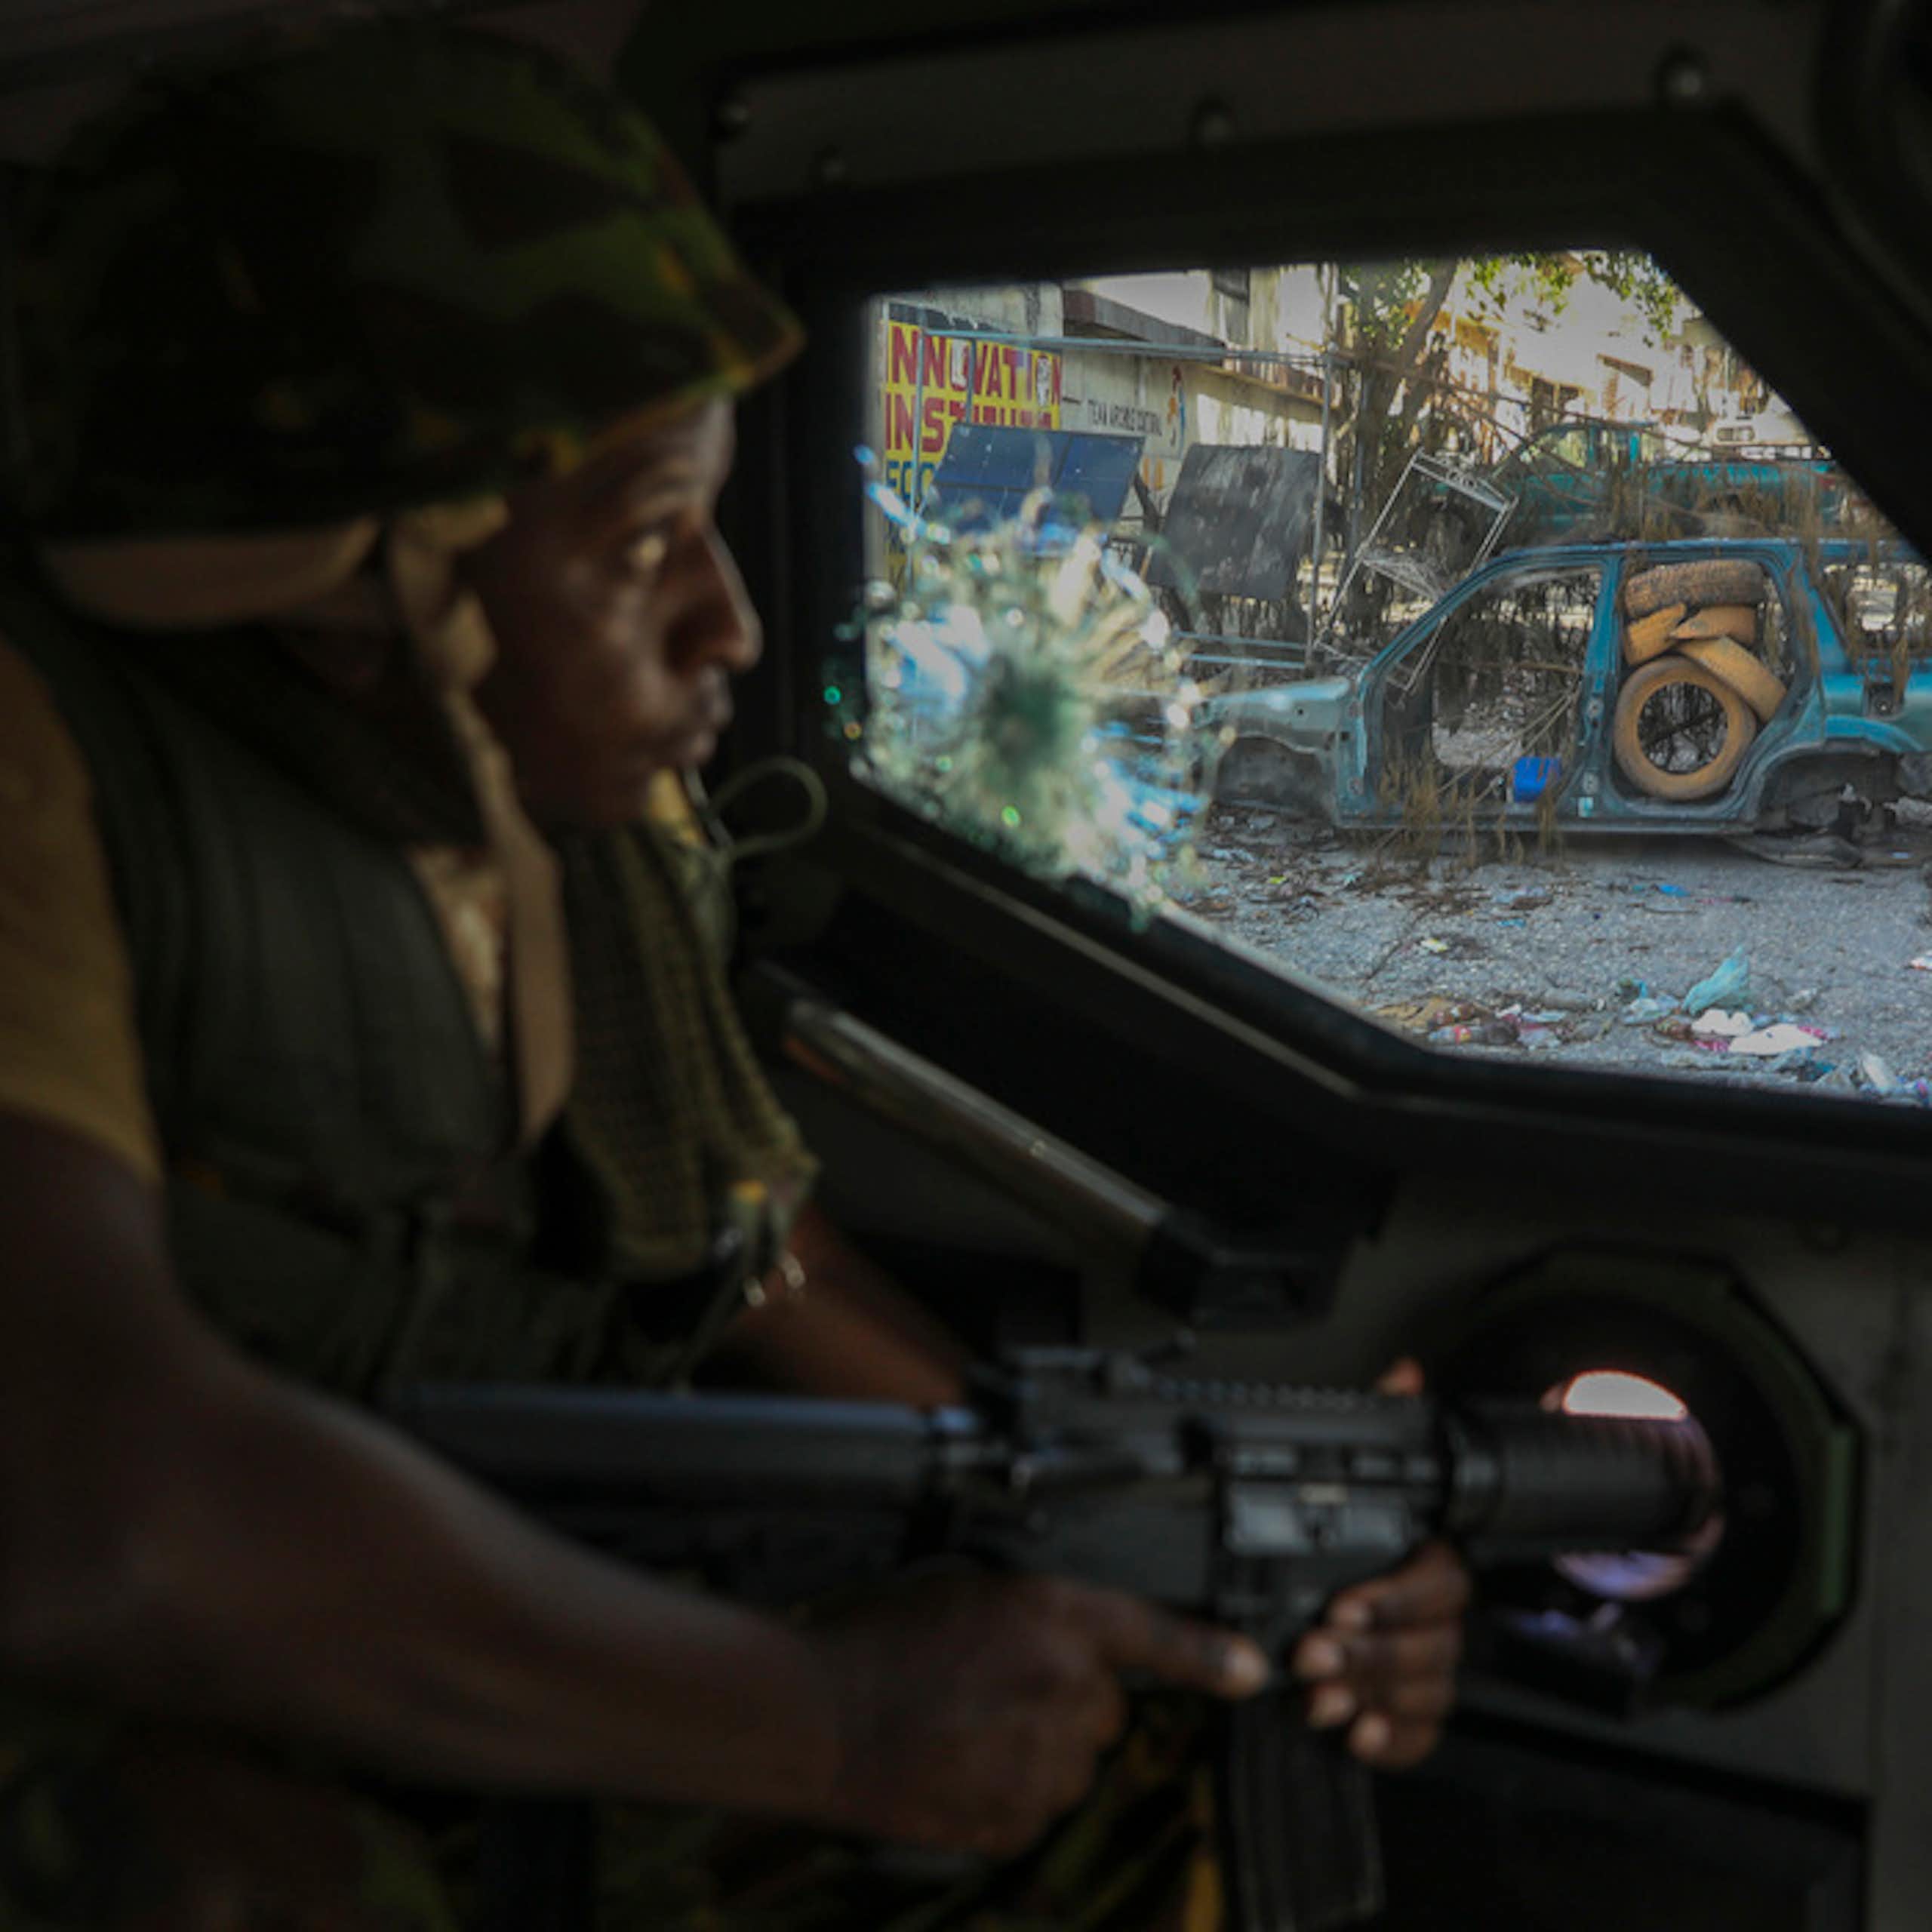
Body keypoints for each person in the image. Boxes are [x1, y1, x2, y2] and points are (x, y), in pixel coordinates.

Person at [0, 21, 1466, 1927]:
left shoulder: (587, 832)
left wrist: (1140, 1537)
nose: (731, 619)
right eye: (637, 545)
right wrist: (825, 1722)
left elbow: (753, 1248)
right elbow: (82, 1504)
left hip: (507, 1598)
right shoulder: (51, 766)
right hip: (166, 1684)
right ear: (360, 582)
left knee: (1144, 1725)